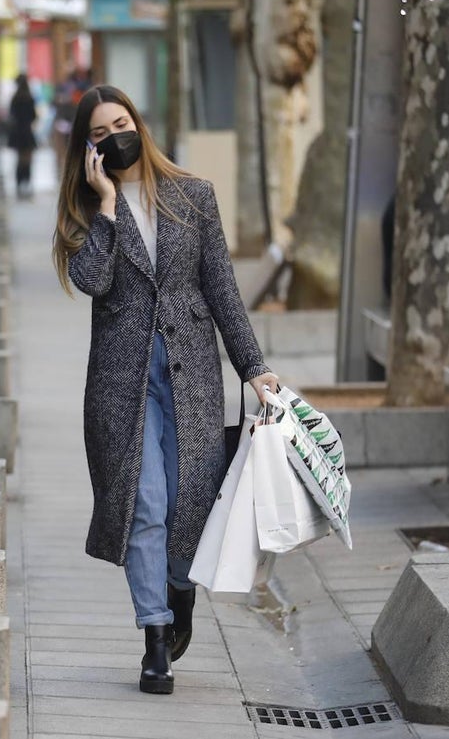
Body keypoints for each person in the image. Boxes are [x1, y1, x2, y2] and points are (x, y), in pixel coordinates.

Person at [51, 85, 280, 695]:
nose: (113, 137)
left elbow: (222, 289)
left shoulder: (192, 196)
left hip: (192, 373)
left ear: (140, 124)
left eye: (121, 123)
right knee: (144, 505)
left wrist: (253, 366)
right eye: (99, 133)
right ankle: (154, 639)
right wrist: (103, 205)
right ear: (87, 148)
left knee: (191, 503)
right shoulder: (83, 210)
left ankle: (179, 591)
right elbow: (94, 282)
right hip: (121, 385)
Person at [7, 74, 38, 199]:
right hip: (27, 132)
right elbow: (34, 116)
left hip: (17, 133)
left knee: (19, 160)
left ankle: (19, 182)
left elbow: (11, 115)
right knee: (28, 159)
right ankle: (27, 181)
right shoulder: (29, 98)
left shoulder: (15, 98)